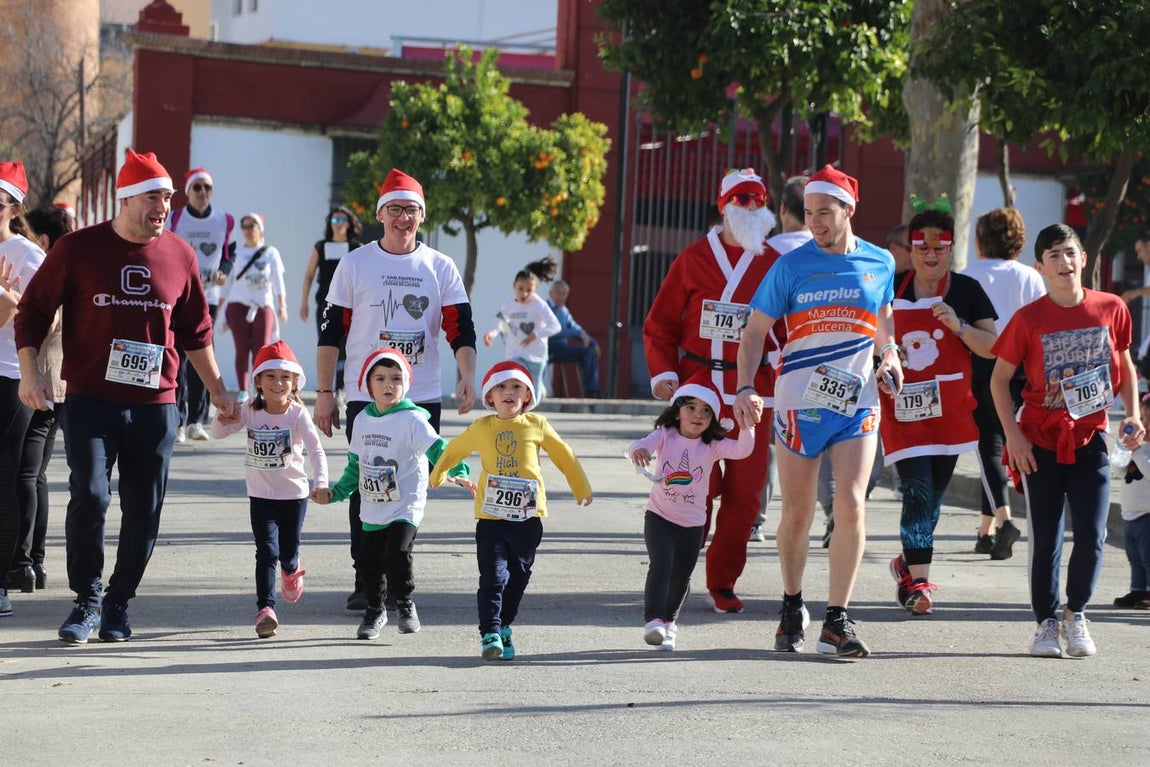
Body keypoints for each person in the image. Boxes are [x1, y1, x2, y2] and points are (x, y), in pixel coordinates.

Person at [15, 149, 237, 644]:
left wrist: (220, 391)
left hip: (156, 403)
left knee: (145, 507)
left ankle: (118, 602)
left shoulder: (180, 255)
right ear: (126, 199)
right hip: (90, 399)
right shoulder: (77, 249)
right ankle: (87, 598)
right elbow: (31, 312)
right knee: (90, 494)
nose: (163, 206)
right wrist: (31, 372)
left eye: (167, 198)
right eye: (154, 197)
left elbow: (197, 332)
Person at [734, 164, 901, 658]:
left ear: (849, 210)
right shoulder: (790, 266)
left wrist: (889, 355)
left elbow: (885, 321)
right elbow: (753, 332)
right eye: (809, 213)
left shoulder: (880, 262)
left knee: (850, 504)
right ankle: (791, 603)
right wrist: (745, 386)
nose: (816, 223)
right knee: (798, 514)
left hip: (857, 401)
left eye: (824, 213)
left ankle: (837, 619)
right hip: (797, 403)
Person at [315, 168, 477, 612]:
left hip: (419, 396)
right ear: (380, 213)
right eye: (395, 209)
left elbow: (460, 328)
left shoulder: (439, 266)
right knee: (368, 482)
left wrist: (467, 375)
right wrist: (325, 393)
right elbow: (331, 333)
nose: (403, 218)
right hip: (366, 397)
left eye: (412, 210)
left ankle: (396, 568)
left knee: (410, 485)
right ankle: (367, 578)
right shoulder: (355, 264)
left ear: (422, 217)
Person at [992, 223, 1142, 658]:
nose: (1064, 262)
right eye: (1053, 255)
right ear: (1039, 266)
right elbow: (999, 381)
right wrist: (1014, 436)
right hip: (1038, 441)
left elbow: (1126, 365)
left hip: (1090, 437)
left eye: (1070, 252)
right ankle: (1045, 622)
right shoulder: (1029, 318)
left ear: (1084, 259)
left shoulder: (1110, 308)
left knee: (1093, 533)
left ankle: (1076, 614)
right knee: (1047, 535)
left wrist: (1131, 414)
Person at [643, 167, 778, 615]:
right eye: (741, 200)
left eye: (758, 200)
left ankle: (722, 582)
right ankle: (675, 572)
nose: (751, 208)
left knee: (745, 496)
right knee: (690, 488)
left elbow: (792, 329)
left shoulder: (774, 261)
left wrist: (780, 367)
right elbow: (660, 325)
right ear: (722, 206)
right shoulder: (693, 258)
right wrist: (664, 373)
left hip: (751, 393)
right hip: (698, 390)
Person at [429, 361, 592, 660]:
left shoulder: (537, 425)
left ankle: (504, 625)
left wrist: (580, 486)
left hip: (528, 519)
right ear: (489, 396)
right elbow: (454, 450)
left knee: (518, 576)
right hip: (491, 518)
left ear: (528, 395)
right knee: (492, 576)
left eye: (517, 387)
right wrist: (437, 474)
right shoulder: (482, 427)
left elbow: (564, 455)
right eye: (501, 387)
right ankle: (490, 631)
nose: (509, 392)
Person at [881, 198, 998, 615]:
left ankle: (906, 566)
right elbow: (869, 337)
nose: (931, 256)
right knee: (917, 493)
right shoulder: (890, 288)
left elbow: (993, 348)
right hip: (903, 411)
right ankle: (921, 584)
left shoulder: (967, 290)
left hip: (950, 414)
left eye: (939, 248)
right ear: (910, 249)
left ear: (951, 249)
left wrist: (959, 326)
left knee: (931, 504)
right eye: (922, 248)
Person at [318, 349, 474, 640]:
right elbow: (356, 466)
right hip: (373, 504)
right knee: (368, 560)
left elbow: (439, 449)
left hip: (406, 503)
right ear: (368, 384)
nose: (388, 384)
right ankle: (375, 610)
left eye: (396, 378)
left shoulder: (412, 419)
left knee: (397, 553)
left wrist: (458, 471)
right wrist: (336, 493)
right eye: (380, 378)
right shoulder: (362, 420)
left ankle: (404, 602)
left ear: (406, 383)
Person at [210, 340, 328, 638]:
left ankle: (292, 569)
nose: (278, 383)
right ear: (258, 381)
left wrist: (321, 483)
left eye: (285, 377)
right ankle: (266, 609)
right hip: (261, 496)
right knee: (266, 551)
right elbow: (219, 434)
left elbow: (316, 452)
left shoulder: (297, 415)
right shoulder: (250, 409)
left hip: (294, 496)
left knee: (287, 554)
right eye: (271, 376)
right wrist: (222, 418)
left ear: (295, 382)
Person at [627, 376, 754, 650]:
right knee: (660, 566)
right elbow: (642, 444)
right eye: (691, 407)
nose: (697, 415)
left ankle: (670, 624)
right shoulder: (665, 435)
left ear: (713, 418)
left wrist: (746, 426)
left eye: (706, 410)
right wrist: (639, 452)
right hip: (659, 517)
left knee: (681, 575)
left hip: (693, 524)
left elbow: (743, 449)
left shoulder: (712, 445)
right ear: (677, 410)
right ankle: (654, 622)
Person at [961, 207, 1046, 557]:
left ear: (981, 240)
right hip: (1023, 367)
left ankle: (1005, 519)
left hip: (982, 363)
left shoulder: (967, 276)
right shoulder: (1030, 277)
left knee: (988, 447)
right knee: (1002, 445)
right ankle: (986, 530)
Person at [11, 206, 74, 597]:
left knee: (23, 474)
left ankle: (21, 563)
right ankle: (34, 561)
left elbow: (45, 322)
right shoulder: (69, 268)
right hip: (59, 384)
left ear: (45, 240)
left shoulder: (48, 269)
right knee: (36, 475)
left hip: (43, 383)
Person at [0, 162, 47, 617]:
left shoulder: (29, 257)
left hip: (11, 374)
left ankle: (4, 580)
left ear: (14, 209)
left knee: (8, 474)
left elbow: (48, 320)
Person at [169, 167, 235, 442]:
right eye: (197, 188)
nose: (203, 193)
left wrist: (223, 270)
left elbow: (229, 255)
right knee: (179, 359)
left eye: (207, 188)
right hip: (177, 296)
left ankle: (198, 420)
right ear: (188, 192)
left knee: (203, 359)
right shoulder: (176, 217)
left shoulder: (224, 220)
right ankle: (179, 422)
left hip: (207, 298)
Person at [221, 212, 288, 400]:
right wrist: (219, 307)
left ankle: (260, 389)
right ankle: (243, 390)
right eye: (245, 226)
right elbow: (228, 283)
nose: (248, 230)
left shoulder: (270, 252)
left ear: (260, 228)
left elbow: (277, 281)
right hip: (238, 304)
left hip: (262, 305)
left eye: (252, 226)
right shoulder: (236, 252)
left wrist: (282, 305)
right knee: (241, 348)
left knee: (261, 348)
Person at [299, 206, 363, 394]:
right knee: (328, 343)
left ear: (349, 223)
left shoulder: (356, 248)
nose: (339, 224)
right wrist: (304, 303)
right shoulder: (321, 246)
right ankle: (326, 389)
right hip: (325, 304)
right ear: (330, 224)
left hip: (351, 305)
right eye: (335, 220)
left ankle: (342, 389)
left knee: (347, 347)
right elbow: (309, 275)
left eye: (342, 220)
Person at [483, 257, 561, 397]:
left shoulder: (539, 305)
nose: (524, 294)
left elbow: (555, 326)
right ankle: (517, 416)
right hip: (515, 353)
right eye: (521, 289)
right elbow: (500, 322)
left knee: (533, 395)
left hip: (536, 355)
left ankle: (539, 390)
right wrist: (491, 334)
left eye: (529, 290)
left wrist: (535, 335)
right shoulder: (508, 305)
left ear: (535, 289)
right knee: (515, 385)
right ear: (514, 286)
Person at [1114, 393, 1150, 610]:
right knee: (1135, 558)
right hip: (1130, 514)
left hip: (1147, 514)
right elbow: (1118, 470)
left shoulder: (1143, 451)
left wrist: (1136, 451)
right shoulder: (1138, 448)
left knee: (1149, 558)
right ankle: (1138, 590)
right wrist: (1122, 448)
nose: (1144, 425)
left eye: (1149, 420)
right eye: (1142, 419)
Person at [546, 279, 601, 397]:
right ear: (551, 293)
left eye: (564, 294)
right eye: (558, 293)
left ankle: (591, 391)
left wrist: (592, 342)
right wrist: (572, 332)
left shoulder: (564, 310)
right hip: (547, 349)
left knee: (589, 351)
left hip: (562, 348)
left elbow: (573, 327)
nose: (561, 297)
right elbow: (554, 330)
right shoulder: (544, 308)